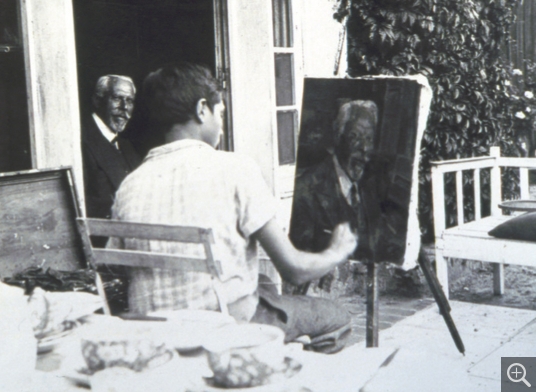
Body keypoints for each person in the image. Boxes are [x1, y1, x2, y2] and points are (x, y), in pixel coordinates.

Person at [109, 62, 358, 353]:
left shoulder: (129, 184)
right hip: (223, 327)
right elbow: (295, 270)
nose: (222, 124)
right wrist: (336, 251)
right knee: (337, 318)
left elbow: (122, 268)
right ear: (203, 109)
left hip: (154, 332)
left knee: (263, 282)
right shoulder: (235, 168)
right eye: (221, 113)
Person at [288, 100, 381, 293]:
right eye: (355, 137)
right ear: (338, 138)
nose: (364, 148)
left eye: (369, 139)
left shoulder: (372, 187)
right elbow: (300, 257)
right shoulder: (308, 187)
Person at [82, 75, 142, 223]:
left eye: (130, 101)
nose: (124, 107)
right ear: (97, 100)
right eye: (117, 98)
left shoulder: (126, 146)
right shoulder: (81, 140)